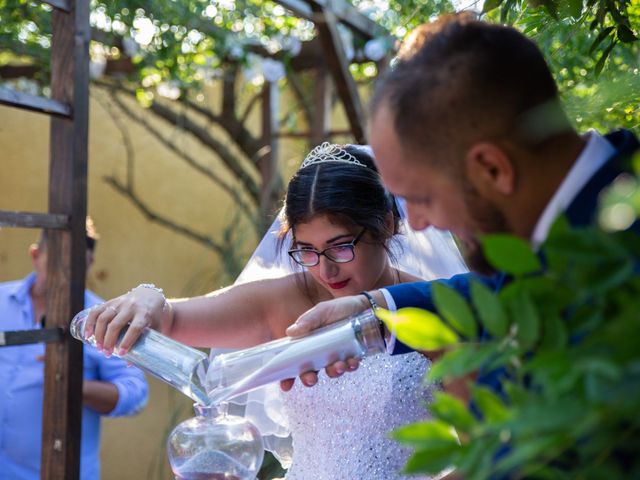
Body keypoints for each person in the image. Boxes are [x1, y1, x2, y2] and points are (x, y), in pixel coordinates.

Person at [283, 13, 640, 389]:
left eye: (421, 197)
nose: (416, 222)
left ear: (491, 169)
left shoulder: (621, 261)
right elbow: (496, 288)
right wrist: (372, 312)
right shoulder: (558, 231)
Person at [84, 143, 468, 479]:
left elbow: (487, 453)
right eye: (306, 250)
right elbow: (170, 319)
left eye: (340, 246)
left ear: (385, 225)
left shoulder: (434, 309)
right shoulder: (283, 301)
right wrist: (147, 298)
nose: (325, 269)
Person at [0, 218, 149, 480]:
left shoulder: (102, 319)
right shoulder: (1, 300)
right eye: (56, 263)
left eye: (78, 265)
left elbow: (136, 394)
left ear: (89, 264)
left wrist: (75, 385)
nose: (66, 274)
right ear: (36, 255)